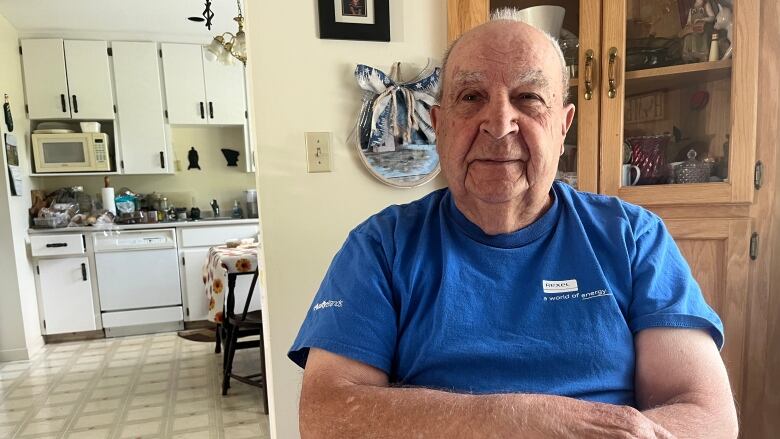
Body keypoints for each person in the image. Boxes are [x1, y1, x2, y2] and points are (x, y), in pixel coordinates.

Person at [288, 8, 738, 439]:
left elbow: (708, 413)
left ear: (563, 128)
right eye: (471, 97)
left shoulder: (632, 237)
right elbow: (326, 416)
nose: (499, 124)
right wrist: (523, 421)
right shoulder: (380, 247)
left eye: (527, 98)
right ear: (439, 126)